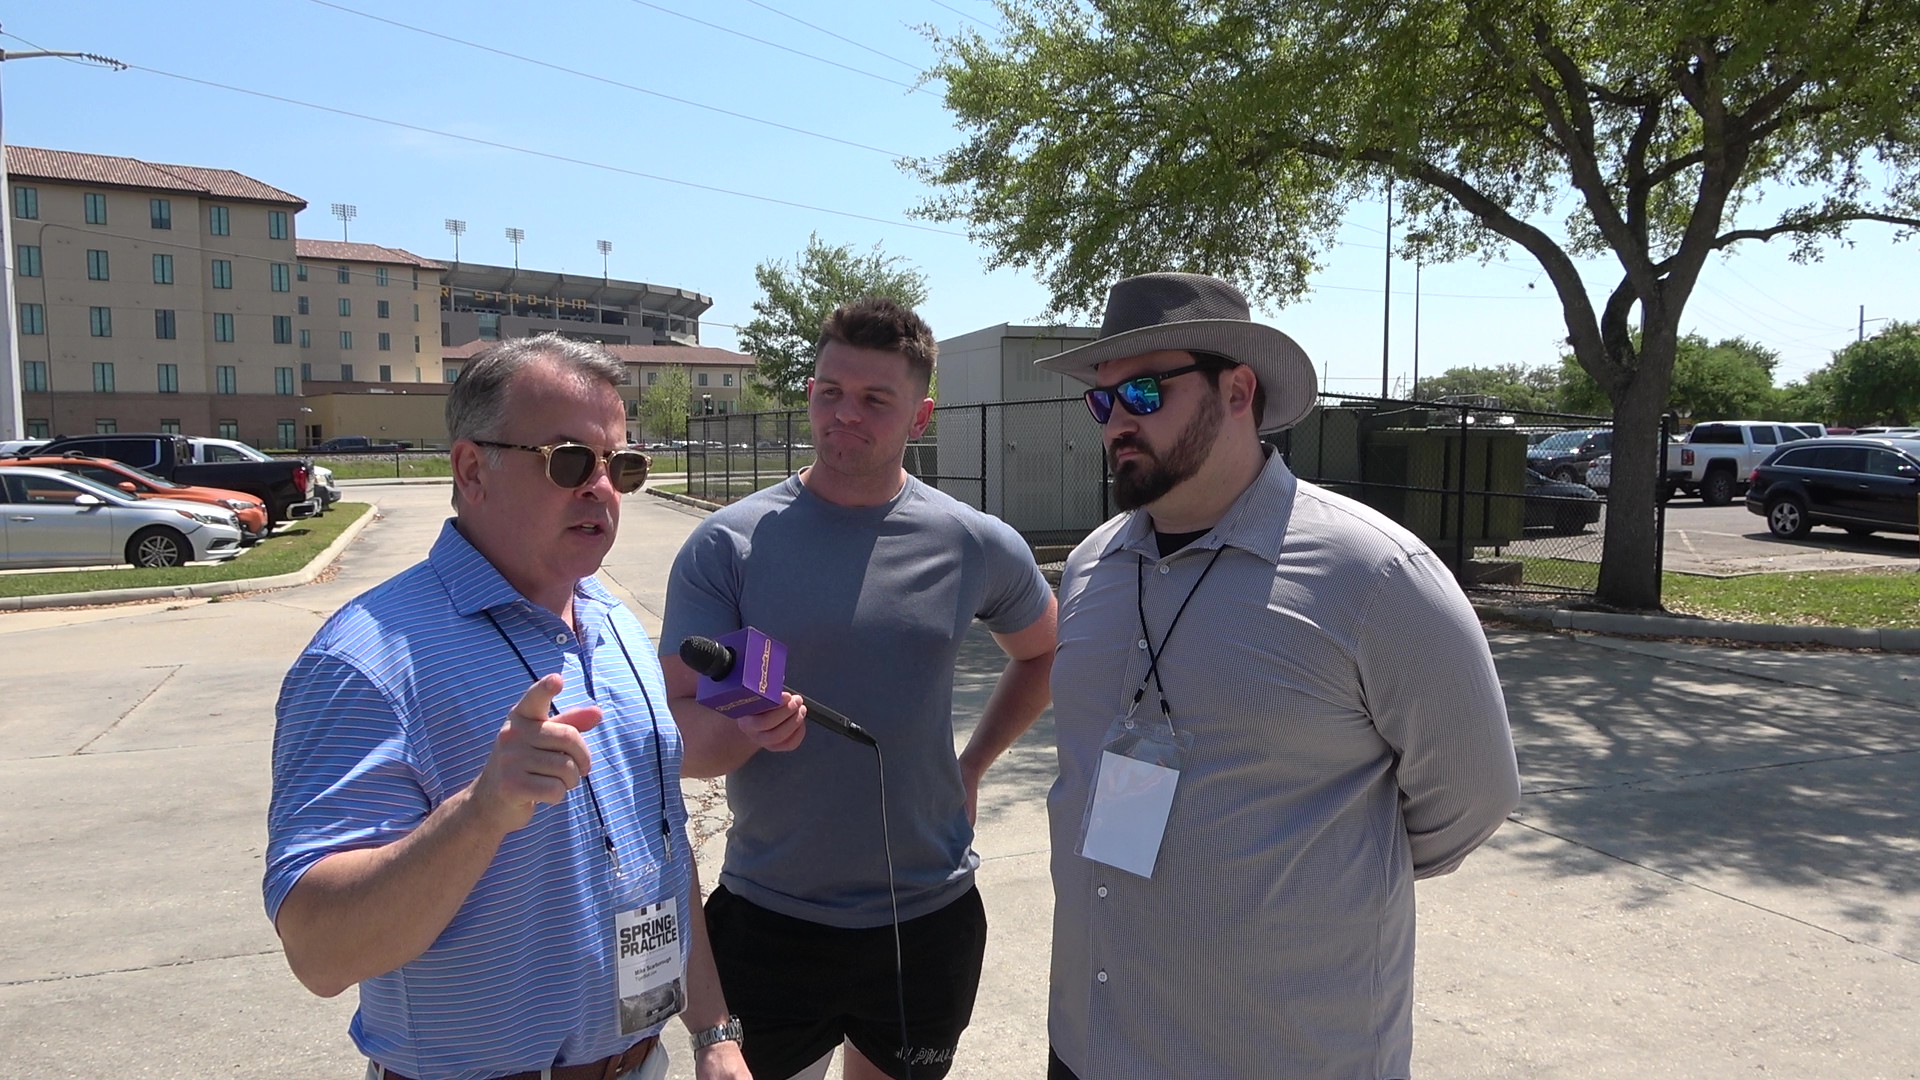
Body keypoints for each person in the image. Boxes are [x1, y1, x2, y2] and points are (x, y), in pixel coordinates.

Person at [1037, 273, 1522, 1079]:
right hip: (1093, 1046)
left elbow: (1472, 794)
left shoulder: (1372, 574)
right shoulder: (1093, 564)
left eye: (1145, 391)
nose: (1117, 418)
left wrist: (1324, 870)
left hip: (1277, 1054)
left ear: (1238, 391)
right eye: (1102, 400)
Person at [265, 334, 749, 1080]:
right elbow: (318, 951)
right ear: (471, 469)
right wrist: (481, 812)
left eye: (621, 465)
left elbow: (660, 839)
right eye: (570, 461)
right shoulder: (365, 659)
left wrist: (714, 1031)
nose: (602, 488)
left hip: (641, 1062)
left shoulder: (614, 623)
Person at [660, 297, 1057, 1080]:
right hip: (769, 916)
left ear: (920, 415)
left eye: (876, 398)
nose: (846, 414)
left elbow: (1044, 653)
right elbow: (674, 735)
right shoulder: (728, 545)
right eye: (830, 391)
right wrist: (745, 730)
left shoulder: (972, 542)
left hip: (926, 917)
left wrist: (973, 765)